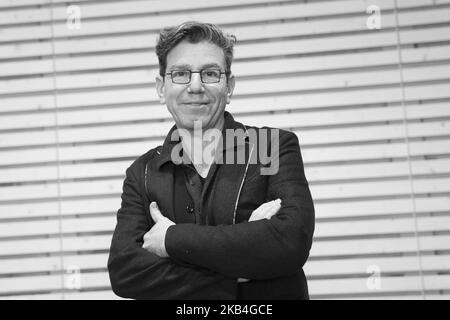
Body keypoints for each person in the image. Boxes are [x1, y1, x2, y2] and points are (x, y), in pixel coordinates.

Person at [107, 21, 315, 300]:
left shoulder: (272, 148)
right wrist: (241, 268)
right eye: (181, 74)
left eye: (210, 73)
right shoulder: (142, 174)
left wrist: (171, 240)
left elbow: (290, 242)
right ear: (161, 88)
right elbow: (125, 272)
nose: (195, 86)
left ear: (229, 86)